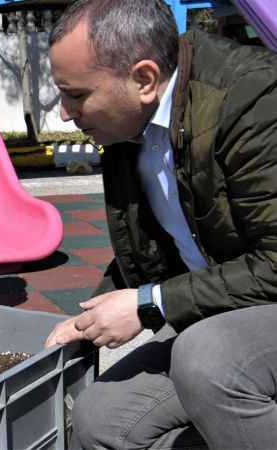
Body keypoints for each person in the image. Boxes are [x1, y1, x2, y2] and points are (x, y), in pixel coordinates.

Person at [44, 0, 277, 448]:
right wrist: (89, 317)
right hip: (231, 307)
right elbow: (159, 243)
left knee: (207, 358)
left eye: (76, 94)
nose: (64, 113)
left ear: (144, 79)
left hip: (251, 309)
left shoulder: (254, 101)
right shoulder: (129, 126)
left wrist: (152, 303)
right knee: (100, 421)